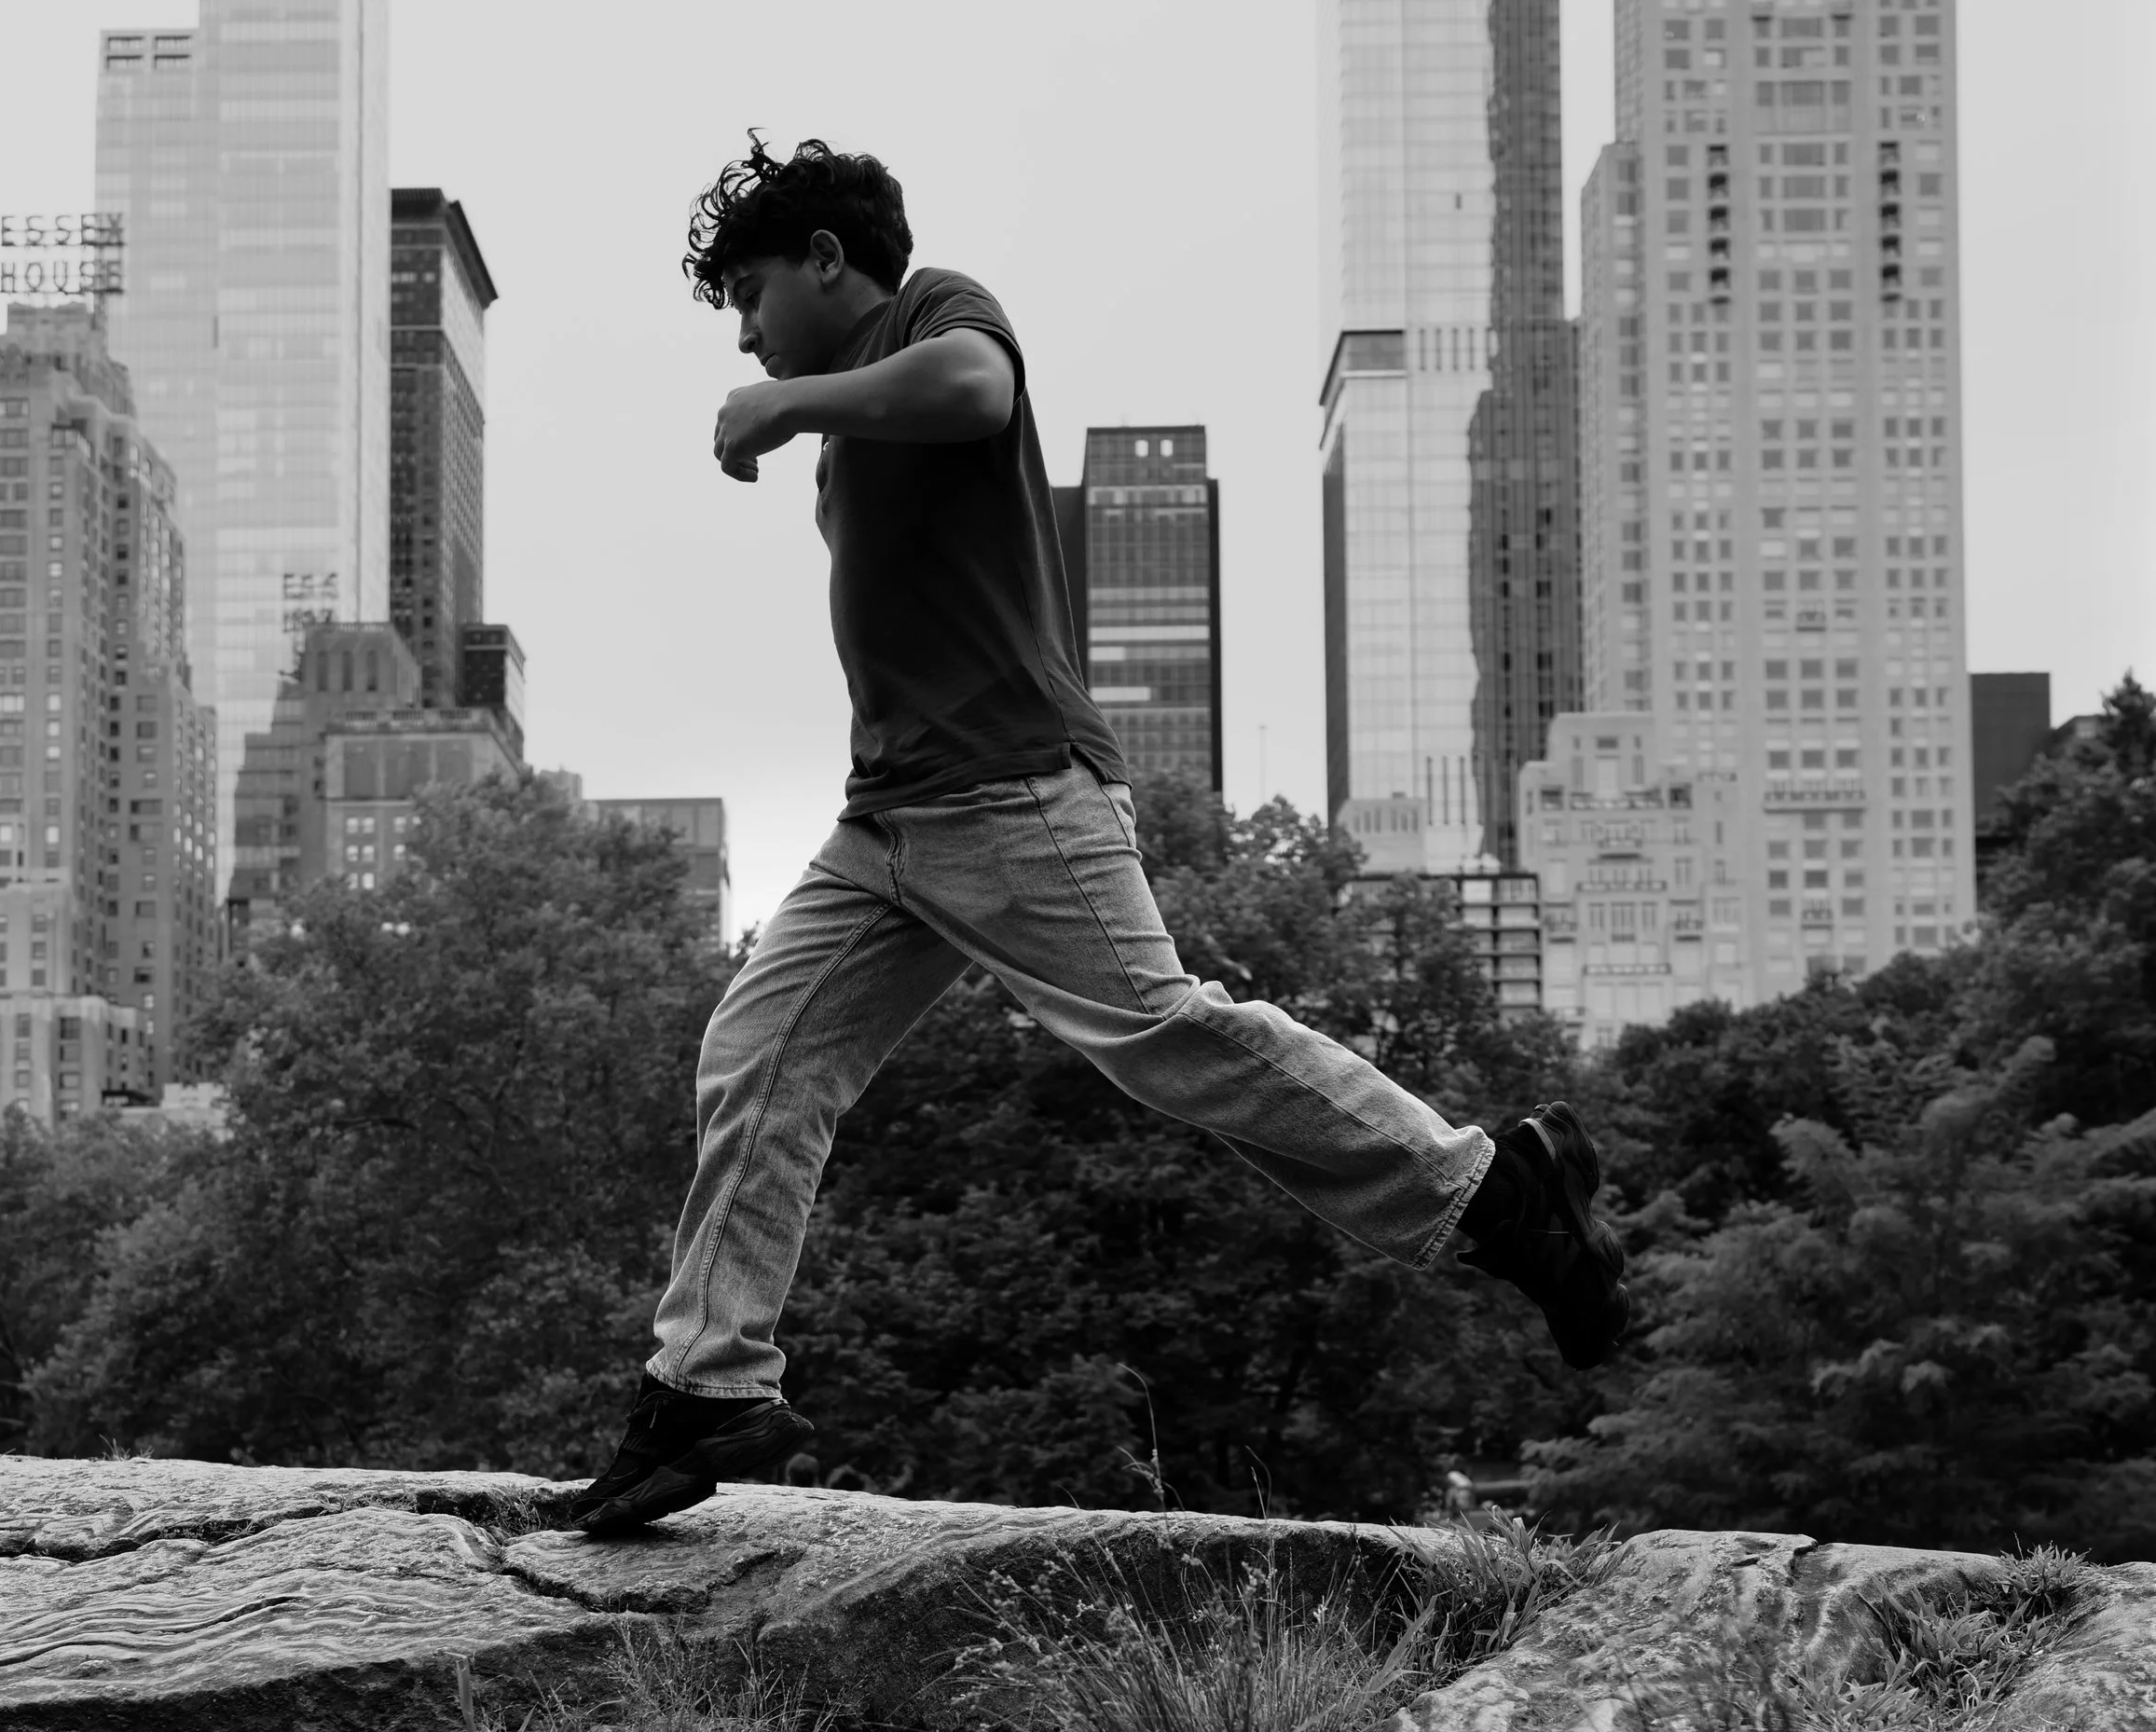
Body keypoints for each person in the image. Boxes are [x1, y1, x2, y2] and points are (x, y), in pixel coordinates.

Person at [568, 136, 1627, 1538]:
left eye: (751, 292)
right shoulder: (859, 401)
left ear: (827, 260)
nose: (747, 330)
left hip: (1015, 794)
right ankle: (704, 1386)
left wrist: (779, 403)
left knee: (1163, 1031)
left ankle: (1492, 1189)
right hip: (885, 825)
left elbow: (977, 388)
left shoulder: (934, 312)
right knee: (756, 1056)